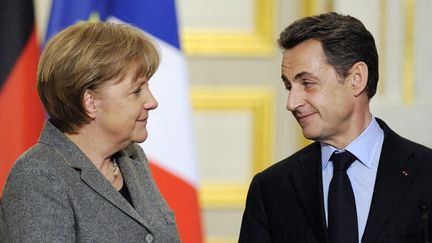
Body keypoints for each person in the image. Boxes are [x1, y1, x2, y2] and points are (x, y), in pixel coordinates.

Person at [239, 12, 432, 243]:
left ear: (356, 78)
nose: (291, 103)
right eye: (289, 86)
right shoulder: (270, 189)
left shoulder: (425, 173)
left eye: (307, 83)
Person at [1, 22, 180, 242]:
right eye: (136, 91)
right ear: (90, 102)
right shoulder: (38, 175)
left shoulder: (133, 158)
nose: (152, 102)